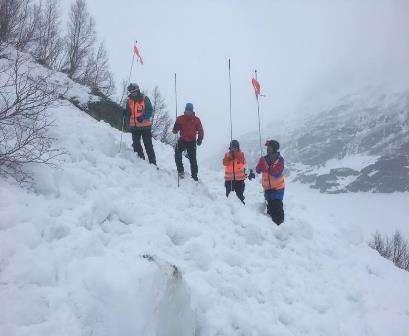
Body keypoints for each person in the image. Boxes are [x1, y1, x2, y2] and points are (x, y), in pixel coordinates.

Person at [124, 83, 156, 165]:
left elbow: (150, 110)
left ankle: (153, 163)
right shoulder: (129, 101)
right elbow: (128, 112)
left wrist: (143, 117)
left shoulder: (145, 99)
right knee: (136, 144)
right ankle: (140, 160)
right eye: (131, 92)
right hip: (134, 127)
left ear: (138, 90)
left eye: (134, 91)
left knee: (148, 145)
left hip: (145, 127)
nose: (133, 93)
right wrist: (125, 113)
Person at [255, 140, 285, 225]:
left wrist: (266, 167)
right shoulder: (263, 159)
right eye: (267, 147)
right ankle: (272, 228)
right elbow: (257, 170)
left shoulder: (280, 160)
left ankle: (280, 227)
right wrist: (259, 166)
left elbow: (276, 173)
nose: (268, 149)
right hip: (267, 188)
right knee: (270, 209)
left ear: (274, 148)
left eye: (270, 147)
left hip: (278, 188)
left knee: (277, 208)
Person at [172, 103, 204, 181]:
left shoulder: (196, 120)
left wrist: (200, 139)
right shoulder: (180, 118)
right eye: (187, 110)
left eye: (189, 110)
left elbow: (200, 130)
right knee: (177, 153)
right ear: (185, 110)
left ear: (192, 111)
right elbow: (175, 129)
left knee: (193, 159)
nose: (188, 112)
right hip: (182, 140)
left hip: (192, 141)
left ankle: (194, 176)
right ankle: (180, 170)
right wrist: (175, 129)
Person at [223, 140, 247, 204]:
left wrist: (236, 155)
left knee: (239, 196)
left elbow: (243, 161)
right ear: (230, 147)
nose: (234, 148)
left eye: (235, 147)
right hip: (229, 180)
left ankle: (242, 209)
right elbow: (224, 163)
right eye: (232, 147)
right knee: (229, 196)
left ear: (238, 147)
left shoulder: (241, 154)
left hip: (239, 180)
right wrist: (229, 157)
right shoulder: (227, 155)